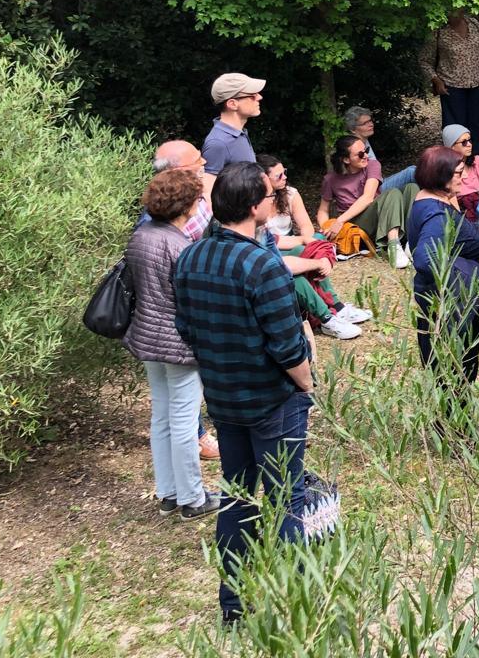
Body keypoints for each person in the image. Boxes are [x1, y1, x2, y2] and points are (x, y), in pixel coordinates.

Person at [173, 162, 314, 624]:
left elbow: (186, 328)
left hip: (224, 400)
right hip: (273, 401)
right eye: (271, 196)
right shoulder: (262, 265)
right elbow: (287, 345)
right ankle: (296, 603)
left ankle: (234, 605)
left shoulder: (191, 256)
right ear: (255, 207)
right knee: (287, 499)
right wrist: (307, 385)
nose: (276, 201)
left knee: (237, 497)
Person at [123, 168, 219, 519]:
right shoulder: (180, 246)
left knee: (161, 417)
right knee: (183, 420)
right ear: (187, 205)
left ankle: (168, 492)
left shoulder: (141, 235)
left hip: (146, 338)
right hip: (177, 344)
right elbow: (190, 301)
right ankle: (193, 499)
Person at [408, 145, 479, 403]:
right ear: (441, 177)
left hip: (451, 309)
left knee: (455, 379)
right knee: (454, 378)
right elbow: (426, 260)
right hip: (451, 312)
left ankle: (454, 433)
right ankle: (455, 437)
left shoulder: (429, 199)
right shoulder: (436, 215)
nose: (464, 177)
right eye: (458, 173)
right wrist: (469, 273)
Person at [256, 154, 369, 340]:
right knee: (299, 265)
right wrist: (310, 251)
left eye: (284, 172)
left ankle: (334, 310)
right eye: (278, 176)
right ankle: (331, 312)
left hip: (290, 245)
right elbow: (270, 243)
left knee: (315, 240)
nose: (284, 177)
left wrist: (308, 241)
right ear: (263, 179)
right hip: (274, 254)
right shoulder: (256, 206)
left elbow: (306, 228)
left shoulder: (290, 194)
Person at [316, 134, 420, 268]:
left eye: (366, 151)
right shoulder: (330, 179)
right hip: (357, 223)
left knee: (412, 187)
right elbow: (323, 210)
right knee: (392, 193)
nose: (365, 155)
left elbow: (368, 197)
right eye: (360, 154)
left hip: (378, 214)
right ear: (346, 160)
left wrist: (339, 220)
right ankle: (393, 245)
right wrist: (326, 228)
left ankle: (412, 241)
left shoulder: (372, 165)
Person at [420, 10, 479, 161]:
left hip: (478, 84)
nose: (454, 12)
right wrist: (436, 80)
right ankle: (455, 165)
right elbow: (424, 60)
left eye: (458, 8)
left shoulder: (473, 24)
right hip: (452, 87)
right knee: (455, 130)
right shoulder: (438, 29)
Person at [201, 73, 264, 188]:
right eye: (252, 96)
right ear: (232, 104)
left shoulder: (239, 133)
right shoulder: (218, 143)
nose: (259, 97)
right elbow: (208, 191)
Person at [345, 105, 414, 191]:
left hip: (378, 183)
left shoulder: (364, 140)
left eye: (370, 121)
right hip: (371, 191)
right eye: (364, 123)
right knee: (411, 172)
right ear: (353, 129)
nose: (370, 125)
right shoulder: (352, 147)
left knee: (413, 177)